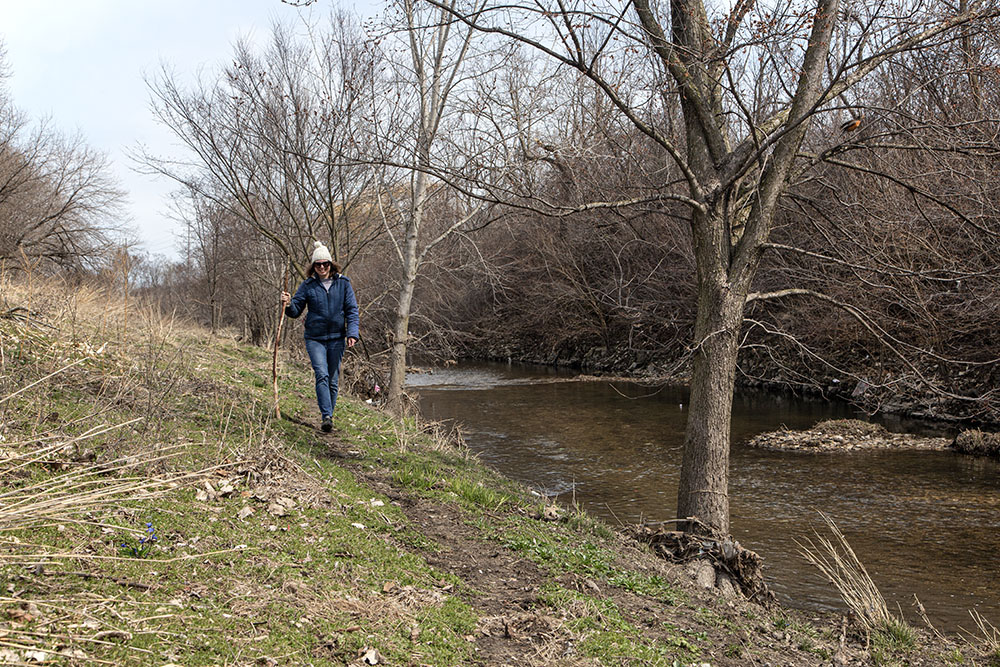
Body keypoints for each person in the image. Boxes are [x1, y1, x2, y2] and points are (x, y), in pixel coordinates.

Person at [281, 241, 360, 432]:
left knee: (333, 379)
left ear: (331, 264)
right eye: (318, 264)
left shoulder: (343, 283)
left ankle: (329, 417)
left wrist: (352, 333)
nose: (322, 267)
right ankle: (326, 415)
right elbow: (295, 311)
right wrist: (288, 303)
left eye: (325, 264)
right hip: (315, 338)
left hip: (336, 338)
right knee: (321, 374)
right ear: (313, 267)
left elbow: (352, 310)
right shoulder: (308, 286)